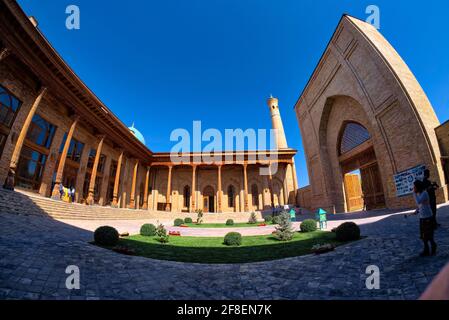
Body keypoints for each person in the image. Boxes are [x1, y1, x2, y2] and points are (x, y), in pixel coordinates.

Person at [413, 180, 437, 257]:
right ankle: (426, 250)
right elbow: (421, 205)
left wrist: (413, 194)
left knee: (428, 235)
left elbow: (418, 201)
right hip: (422, 217)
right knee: (423, 235)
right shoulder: (420, 193)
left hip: (427, 217)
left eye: (414, 187)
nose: (413, 188)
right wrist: (417, 210)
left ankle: (433, 246)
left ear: (418, 187)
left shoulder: (424, 193)